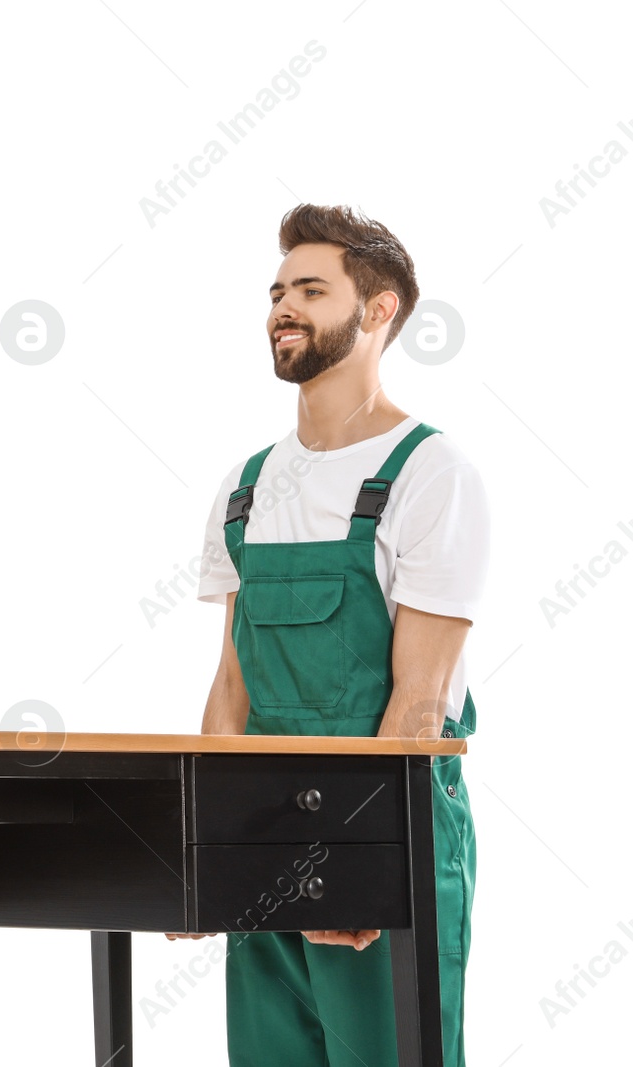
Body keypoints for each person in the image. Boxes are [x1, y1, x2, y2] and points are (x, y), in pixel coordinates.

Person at [167, 203, 486, 1065]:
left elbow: (419, 702)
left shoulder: (429, 472)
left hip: (385, 825)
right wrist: (202, 855)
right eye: (277, 291)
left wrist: (364, 863)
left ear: (379, 311)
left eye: (312, 289)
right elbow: (231, 687)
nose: (284, 307)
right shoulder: (247, 485)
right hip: (263, 826)